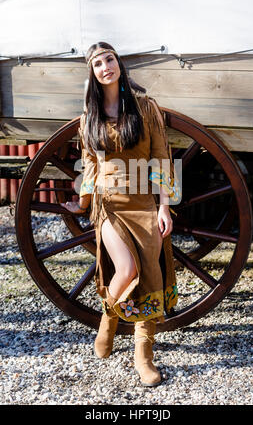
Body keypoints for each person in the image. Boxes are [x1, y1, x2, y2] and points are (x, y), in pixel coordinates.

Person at [61, 42, 178, 387]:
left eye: (109, 59)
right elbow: (91, 166)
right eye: (97, 63)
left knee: (150, 276)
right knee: (126, 269)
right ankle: (107, 321)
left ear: (118, 64)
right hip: (109, 203)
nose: (105, 66)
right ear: (93, 73)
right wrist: (83, 204)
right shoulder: (89, 118)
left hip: (144, 203)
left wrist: (164, 206)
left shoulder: (144, 108)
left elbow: (161, 157)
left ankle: (143, 355)